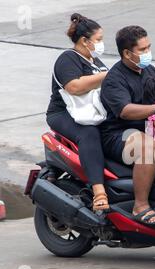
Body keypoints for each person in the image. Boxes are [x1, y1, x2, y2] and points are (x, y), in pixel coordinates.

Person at [100, 25, 155, 225]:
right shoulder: (114, 79)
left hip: (147, 127)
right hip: (119, 134)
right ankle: (140, 206)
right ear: (127, 53)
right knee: (150, 147)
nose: (147, 53)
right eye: (142, 50)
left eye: (148, 47)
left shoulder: (149, 70)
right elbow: (125, 111)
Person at [46, 13, 109, 211]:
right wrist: (108, 76)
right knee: (88, 133)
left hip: (94, 112)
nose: (101, 44)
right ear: (84, 40)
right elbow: (74, 87)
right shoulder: (68, 59)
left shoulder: (97, 63)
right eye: (98, 40)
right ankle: (99, 191)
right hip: (63, 114)